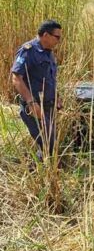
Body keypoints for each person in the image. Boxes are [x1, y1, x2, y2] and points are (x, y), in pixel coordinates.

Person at [11, 20, 62, 161]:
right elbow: (16, 78)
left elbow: (50, 78)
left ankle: (41, 174)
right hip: (34, 106)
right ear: (46, 35)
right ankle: (39, 174)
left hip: (48, 106)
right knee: (47, 143)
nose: (59, 41)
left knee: (49, 144)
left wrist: (57, 96)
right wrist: (31, 102)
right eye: (57, 37)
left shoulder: (49, 54)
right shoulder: (28, 51)